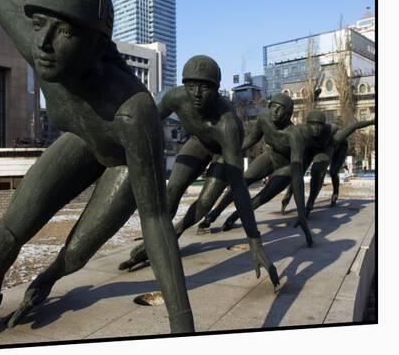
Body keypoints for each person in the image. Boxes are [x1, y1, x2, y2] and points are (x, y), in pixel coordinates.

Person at [0, 0, 194, 338]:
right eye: (40, 26)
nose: (44, 43)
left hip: (122, 162)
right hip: (82, 140)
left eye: (64, 32)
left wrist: (182, 326)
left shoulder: (132, 111)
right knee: (5, 234)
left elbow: (156, 219)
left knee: (77, 252)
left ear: (97, 45)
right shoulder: (38, 45)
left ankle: (46, 280)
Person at [117, 55, 279, 289]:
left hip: (223, 151)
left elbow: (239, 188)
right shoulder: (175, 97)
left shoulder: (227, 124)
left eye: (205, 87)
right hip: (199, 141)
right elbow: (147, 121)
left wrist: (255, 241)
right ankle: (159, 238)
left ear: (216, 89)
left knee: (204, 203)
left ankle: (177, 231)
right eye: (191, 86)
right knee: (172, 189)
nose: (197, 93)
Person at [219, 111, 374, 231]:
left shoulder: (333, 134)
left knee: (323, 171)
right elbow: (296, 171)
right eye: (312, 125)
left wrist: (373, 121)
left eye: (319, 125)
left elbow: (354, 126)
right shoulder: (299, 132)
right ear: (306, 125)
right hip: (309, 148)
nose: (316, 128)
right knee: (297, 171)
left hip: (328, 147)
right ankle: (288, 195)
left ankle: (317, 200)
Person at [193, 93, 313, 246]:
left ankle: (235, 216)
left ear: (288, 114)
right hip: (270, 157)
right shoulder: (264, 120)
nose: (275, 111)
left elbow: (297, 176)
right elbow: (251, 139)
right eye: (273, 107)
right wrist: (231, 151)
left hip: (286, 167)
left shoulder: (294, 135)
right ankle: (214, 214)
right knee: (242, 182)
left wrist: (301, 212)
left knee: (260, 198)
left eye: (280, 109)